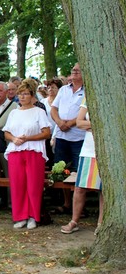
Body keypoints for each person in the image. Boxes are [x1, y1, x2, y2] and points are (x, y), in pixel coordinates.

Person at [3, 80, 51, 230]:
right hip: (16, 151)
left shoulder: (39, 112)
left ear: (31, 95)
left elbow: (46, 133)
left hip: (34, 151)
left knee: (33, 185)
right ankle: (20, 216)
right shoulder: (14, 113)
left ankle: (33, 216)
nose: (22, 97)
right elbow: (6, 132)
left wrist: (27, 138)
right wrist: (14, 139)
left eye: (25, 94)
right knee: (18, 185)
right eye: (20, 94)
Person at [61, 98, 104, 235]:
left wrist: (90, 125)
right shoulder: (88, 97)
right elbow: (79, 122)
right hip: (89, 149)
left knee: (104, 189)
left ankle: (101, 223)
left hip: (108, 150)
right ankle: (74, 221)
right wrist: (100, 124)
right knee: (80, 187)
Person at [50, 63, 85, 214]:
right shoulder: (64, 89)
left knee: (78, 172)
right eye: (73, 70)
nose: (75, 71)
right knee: (62, 170)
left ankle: (80, 207)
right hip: (62, 136)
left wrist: (70, 123)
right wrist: (58, 122)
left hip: (79, 137)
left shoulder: (88, 91)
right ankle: (66, 203)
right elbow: (54, 108)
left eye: (78, 69)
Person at [0, 81, 19, 209]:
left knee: (10, 175)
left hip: (8, 145)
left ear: (7, 92)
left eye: (0, 91)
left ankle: (11, 203)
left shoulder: (15, 107)